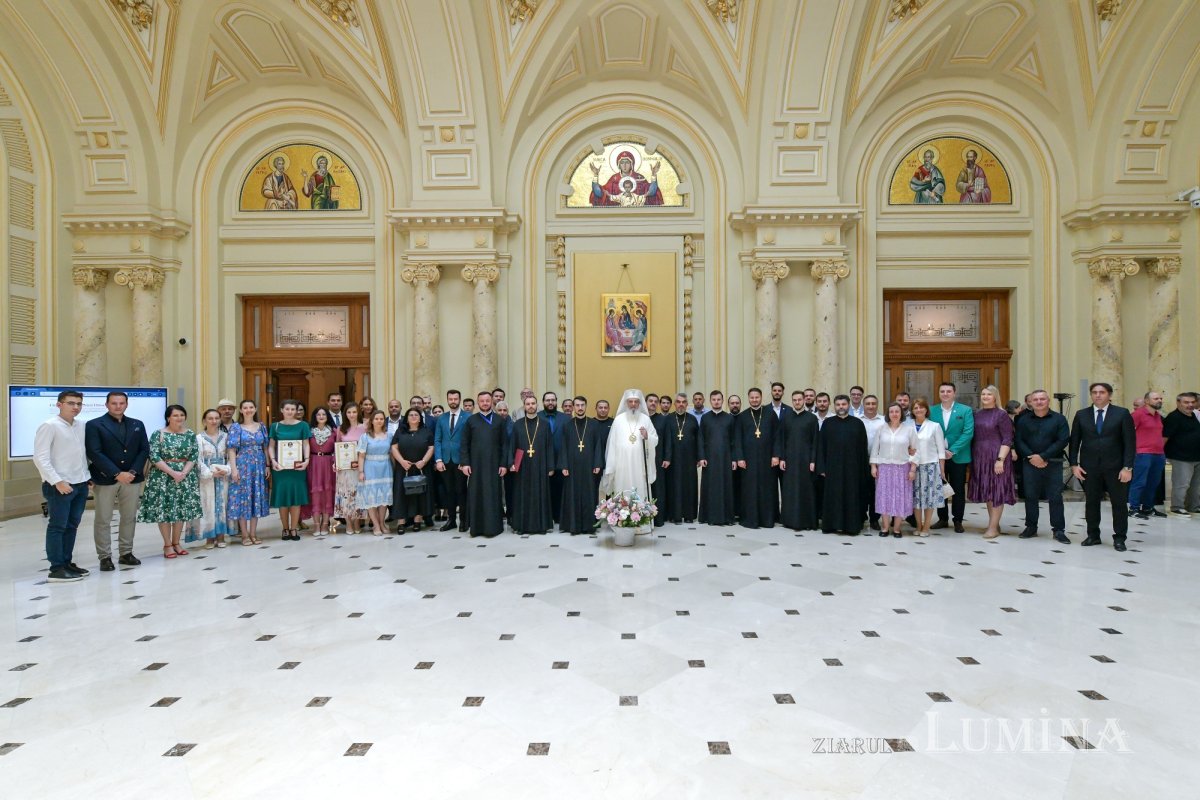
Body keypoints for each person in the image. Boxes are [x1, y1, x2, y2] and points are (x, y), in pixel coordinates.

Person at [85, 390, 149, 571]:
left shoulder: (137, 424)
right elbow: (94, 452)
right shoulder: (94, 425)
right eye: (114, 403)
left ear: (126, 404)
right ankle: (105, 557)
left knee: (129, 517)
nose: (118, 406)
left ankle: (126, 553)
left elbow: (143, 450)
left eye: (121, 403)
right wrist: (116, 473)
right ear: (106, 405)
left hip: (132, 478)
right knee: (103, 519)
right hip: (106, 478)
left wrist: (132, 471)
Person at [1069, 382, 1135, 551]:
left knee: (1119, 504)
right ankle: (1093, 535)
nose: (1098, 395)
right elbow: (1074, 442)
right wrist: (1074, 465)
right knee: (1091, 502)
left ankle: (1120, 537)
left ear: (1109, 395)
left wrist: (1127, 467)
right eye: (1094, 392)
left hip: (1116, 467)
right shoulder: (1081, 415)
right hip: (1089, 468)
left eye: (1102, 392)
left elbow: (1130, 443)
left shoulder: (1122, 413)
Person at [33, 390, 91, 582]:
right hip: (59, 485)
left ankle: (67, 562)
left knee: (72, 525)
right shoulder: (49, 426)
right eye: (71, 403)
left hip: (80, 484)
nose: (75, 407)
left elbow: (81, 454)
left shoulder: (81, 425)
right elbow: (40, 458)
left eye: (79, 404)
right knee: (58, 526)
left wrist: (86, 476)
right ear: (59, 404)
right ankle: (56, 568)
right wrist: (57, 481)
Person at [138, 404, 202, 559]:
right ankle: (167, 545)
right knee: (165, 512)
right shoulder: (158, 434)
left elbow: (194, 455)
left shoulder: (190, 434)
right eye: (175, 415)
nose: (179, 418)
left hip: (185, 477)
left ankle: (176, 542)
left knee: (180, 511)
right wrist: (173, 473)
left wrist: (183, 473)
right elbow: (154, 456)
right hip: (162, 477)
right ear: (168, 418)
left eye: (181, 414)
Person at [1014, 389, 1070, 542]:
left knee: (1055, 497)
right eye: (1036, 399)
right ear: (1030, 402)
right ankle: (1031, 526)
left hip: (1053, 463)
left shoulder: (1059, 419)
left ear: (1048, 401)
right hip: (1030, 462)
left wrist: (1043, 456)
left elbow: (1063, 440)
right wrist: (1033, 457)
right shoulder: (1023, 420)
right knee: (1030, 495)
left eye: (1042, 399)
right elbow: (1019, 440)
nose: (1039, 402)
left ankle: (1058, 530)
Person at [815, 395, 870, 534]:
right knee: (833, 496)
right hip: (832, 468)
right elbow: (820, 447)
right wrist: (821, 467)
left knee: (851, 496)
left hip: (853, 469)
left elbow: (863, 448)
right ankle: (831, 525)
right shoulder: (828, 423)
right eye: (838, 404)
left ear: (848, 405)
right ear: (834, 406)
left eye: (844, 404)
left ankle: (852, 526)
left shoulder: (857, 424)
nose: (841, 407)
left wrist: (863, 470)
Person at [969, 386, 1017, 539]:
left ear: (995, 397)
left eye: (989, 394)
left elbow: (1007, 439)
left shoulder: (1002, 415)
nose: (985, 396)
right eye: (983, 394)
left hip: (997, 456)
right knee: (988, 492)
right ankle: (994, 523)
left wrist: (1000, 460)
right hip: (980, 457)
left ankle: (993, 527)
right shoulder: (976, 414)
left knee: (997, 490)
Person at [461, 392, 508, 537]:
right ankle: (476, 528)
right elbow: (464, 444)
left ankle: (493, 528)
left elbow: (505, 444)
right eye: (482, 401)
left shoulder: (499, 420)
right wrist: (465, 463)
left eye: (488, 400)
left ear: (491, 402)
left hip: (494, 465)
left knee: (493, 495)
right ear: (478, 403)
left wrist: (503, 464)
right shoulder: (471, 420)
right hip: (476, 466)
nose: (485, 403)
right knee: (476, 494)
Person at [600, 389, 658, 503]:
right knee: (622, 489)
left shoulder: (645, 419)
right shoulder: (618, 420)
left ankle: (641, 516)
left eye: (636, 402)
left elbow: (655, 439)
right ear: (626, 403)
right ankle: (622, 516)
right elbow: (612, 443)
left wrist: (647, 436)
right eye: (630, 401)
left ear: (639, 403)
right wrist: (611, 465)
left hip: (639, 464)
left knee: (639, 489)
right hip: (621, 464)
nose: (633, 404)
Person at [733, 388, 779, 529]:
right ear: (748, 398)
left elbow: (777, 436)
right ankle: (749, 518)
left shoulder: (770, 414)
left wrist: (776, 455)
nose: (754, 400)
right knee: (749, 489)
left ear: (761, 397)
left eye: (757, 397)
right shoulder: (742, 416)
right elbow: (737, 439)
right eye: (752, 397)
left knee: (767, 488)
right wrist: (739, 457)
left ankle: (767, 519)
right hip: (748, 460)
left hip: (767, 459)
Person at [510, 395, 557, 534]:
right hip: (523, 466)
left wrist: (551, 466)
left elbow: (549, 446)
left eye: (533, 403)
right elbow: (512, 445)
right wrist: (511, 463)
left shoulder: (544, 424)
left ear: (537, 405)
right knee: (522, 494)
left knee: (540, 494)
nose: (530, 406)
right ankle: (522, 526)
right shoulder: (518, 424)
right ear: (524, 406)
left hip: (540, 465)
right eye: (528, 404)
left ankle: (541, 525)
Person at [930, 382, 974, 532]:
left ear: (954, 393)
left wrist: (952, 450)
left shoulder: (965, 410)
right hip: (937, 457)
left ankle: (958, 520)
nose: (945, 394)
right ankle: (942, 519)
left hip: (958, 456)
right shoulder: (932, 410)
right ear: (939, 393)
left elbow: (968, 432)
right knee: (940, 487)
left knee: (958, 489)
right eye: (942, 391)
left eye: (948, 391)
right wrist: (940, 451)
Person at [870, 403, 918, 538]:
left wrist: (913, 469)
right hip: (884, 467)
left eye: (897, 411)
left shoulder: (909, 430)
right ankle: (885, 527)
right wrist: (874, 466)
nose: (894, 414)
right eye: (891, 412)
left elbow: (915, 451)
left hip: (902, 468)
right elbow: (875, 449)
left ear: (901, 414)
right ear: (888, 414)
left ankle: (897, 528)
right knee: (884, 497)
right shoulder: (881, 429)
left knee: (900, 498)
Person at [227, 399, 269, 545]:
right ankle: (244, 535)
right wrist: (234, 469)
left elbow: (265, 447)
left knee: (255, 497)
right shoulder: (236, 427)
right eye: (245, 407)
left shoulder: (261, 426)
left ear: (255, 409)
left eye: (251, 407)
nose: (248, 410)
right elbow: (231, 449)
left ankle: (253, 533)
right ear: (241, 410)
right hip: (242, 464)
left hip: (259, 465)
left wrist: (267, 465)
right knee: (243, 499)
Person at [189, 409, 233, 548]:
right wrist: (209, 473)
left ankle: (221, 536)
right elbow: (197, 459)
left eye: (216, 418)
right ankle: (209, 536)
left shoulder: (226, 437)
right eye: (210, 418)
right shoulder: (198, 438)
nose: (214, 421)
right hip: (206, 477)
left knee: (222, 503)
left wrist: (226, 469)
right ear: (204, 421)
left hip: (223, 476)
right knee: (208, 505)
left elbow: (231, 456)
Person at [269, 399, 311, 541]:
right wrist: (273, 461)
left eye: (293, 409)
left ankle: (294, 529)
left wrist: (306, 461)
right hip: (280, 468)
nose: (290, 412)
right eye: (287, 409)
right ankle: (285, 529)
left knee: (296, 498)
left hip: (297, 467)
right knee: (283, 499)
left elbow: (306, 444)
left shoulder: (303, 426)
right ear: (282, 410)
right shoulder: (275, 427)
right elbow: (271, 446)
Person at [560, 395, 603, 534]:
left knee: (589, 494)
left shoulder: (594, 424)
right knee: (572, 495)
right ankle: (573, 525)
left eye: (582, 405)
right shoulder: (567, 425)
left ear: (586, 406)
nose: (579, 408)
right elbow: (563, 447)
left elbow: (598, 445)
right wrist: (564, 466)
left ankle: (590, 525)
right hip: (571, 467)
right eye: (577, 405)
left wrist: (597, 463)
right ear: (573, 407)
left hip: (589, 466)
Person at [778, 390, 819, 531]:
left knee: (806, 490)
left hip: (806, 460)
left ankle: (807, 521)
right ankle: (789, 520)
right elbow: (781, 440)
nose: (797, 402)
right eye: (794, 400)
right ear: (792, 401)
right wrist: (782, 458)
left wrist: (813, 460)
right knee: (790, 490)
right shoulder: (786, 417)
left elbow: (815, 441)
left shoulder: (811, 418)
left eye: (799, 400)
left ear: (804, 401)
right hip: (789, 459)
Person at [391, 407, 434, 533]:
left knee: (419, 494)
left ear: (420, 418)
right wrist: (402, 462)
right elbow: (394, 448)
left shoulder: (426, 431)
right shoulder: (400, 431)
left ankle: (417, 521)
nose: (414, 417)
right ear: (407, 418)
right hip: (404, 468)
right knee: (401, 494)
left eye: (416, 415)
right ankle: (401, 522)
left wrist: (424, 461)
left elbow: (431, 448)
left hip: (421, 468)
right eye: (411, 415)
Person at [910, 398, 948, 537]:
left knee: (929, 498)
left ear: (926, 410)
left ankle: (926, 527)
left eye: (921, 407)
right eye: (915, 408)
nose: (918, 410)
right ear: (912, 411)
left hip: (930, 466)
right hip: (913, 467)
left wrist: (942, 469)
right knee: (916, 498)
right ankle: (918, 525)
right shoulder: (908, 426)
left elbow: (941, 450)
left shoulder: (934, 426)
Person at [698, 390, 736, 525]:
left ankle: (727, 517)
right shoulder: (705, 418)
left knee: (726, 486)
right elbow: (701, 438)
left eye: (718, 399)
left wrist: (734, 459)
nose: (716, 402)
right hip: (709, 459)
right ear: (710, 401)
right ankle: (707, 516)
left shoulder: (729, 418)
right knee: (710, 487)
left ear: (722, 401)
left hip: (726, 458)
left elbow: (734, 440)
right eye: (713, 399)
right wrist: (701, 456)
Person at [434, 389, 470, 532]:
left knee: (461, 490)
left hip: (460, 461)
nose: (453, 401)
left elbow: (469, 440)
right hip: (445, 460)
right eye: (450, 399)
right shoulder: (441, 418)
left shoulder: (467, 417)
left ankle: (463, 520)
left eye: (455, 399)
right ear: (447, 400)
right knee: (449, 491)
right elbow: (437, 439)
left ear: (459, 400)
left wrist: (465, 460)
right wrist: (438, 459)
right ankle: (451, 520)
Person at [665, 393, 701, 523]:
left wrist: (699, 457)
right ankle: (675, 515)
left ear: (687, 404)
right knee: (674, 486)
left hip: (689, 459)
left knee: (689, 486)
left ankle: (689, 515)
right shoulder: (668, 419)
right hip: (673, 460)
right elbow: (665, 440)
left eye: (684, 402)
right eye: (678, 402)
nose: (681, 404)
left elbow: (699, 440)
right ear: (674, 404)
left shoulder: (692, 419)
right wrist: (666, 457)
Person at [1128, 391, 1165, 520]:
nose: (1159, 400)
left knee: (1153, 482)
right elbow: (1128, 434)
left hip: (1158, 453)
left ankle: (1148, 508)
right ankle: (1134, 508)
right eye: (1156, 398)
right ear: (1147, 401)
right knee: (1139, 481)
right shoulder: (1138, 414)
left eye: (1160, 398)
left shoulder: (1158, 416)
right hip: (1142, 453)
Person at [357, 410, 394, 536]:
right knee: (371, 498)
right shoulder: (365, 436)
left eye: (381, 419)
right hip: (370, 467)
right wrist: (361, 472)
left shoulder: (389, 435)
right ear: (372, 421)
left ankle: (382, 523)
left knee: (384, 498)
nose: (379, 421)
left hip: (385, 468)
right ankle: (376, 525)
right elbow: (361, 456)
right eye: (376, 418)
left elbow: (392, 453)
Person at [1163, 392, 1200, 515]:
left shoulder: (1193, 415)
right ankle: (1177, 506)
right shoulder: (1173, 417)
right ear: (1178, 403)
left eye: (1192, 402)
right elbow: (1164, 437)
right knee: (1182, 483)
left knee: (1196, 485)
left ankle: (1193, 506)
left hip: (1196, 456)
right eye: (1186, 402)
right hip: (1181, 457)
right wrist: (1160, 454)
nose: (1190, 405)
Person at [304, 407, 337, 537]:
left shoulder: (334, 431)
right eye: (319, 414)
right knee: (315, 493)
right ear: (315, 416)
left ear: (328, 416)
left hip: (329, 464)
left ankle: (325, 523)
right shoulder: (309, 431)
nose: (321, 416)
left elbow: (337, 448)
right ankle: (316, 524)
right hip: (313, 463)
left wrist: (335, 461)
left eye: (324, 414)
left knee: (327, 493)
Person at [538, 392, 570, 524]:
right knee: (543, 490)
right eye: (547, 400)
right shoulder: (537, 417)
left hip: (560, 460)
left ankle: (559, 516)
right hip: (541, 460)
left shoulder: (566, 418)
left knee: (560, 490)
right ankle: (544, 516)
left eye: (553, 400)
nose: (550, 403)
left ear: (557, 401)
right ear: (543, 402)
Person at [335, 402, 365, 534]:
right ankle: (348, 523)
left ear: (358, 412)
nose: (352, 415)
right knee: (346, 495)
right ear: (345, 414)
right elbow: (337, 447)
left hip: (359, 467)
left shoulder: (364, 428)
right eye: (349, 412)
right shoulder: (340, 429)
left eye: (354, 412)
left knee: (358, 494)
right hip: (345, 469)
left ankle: (357, 521)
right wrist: (336, 463)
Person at [647, 394, 673, 526]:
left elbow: (668, 439)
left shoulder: (662, 420)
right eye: (650, 401)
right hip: (642, 460)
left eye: (655, 401)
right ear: (645, 402)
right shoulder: (641, 419)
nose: (653, 403)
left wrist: (667, 458)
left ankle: (658, 518)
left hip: (659, 459)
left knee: (659, 488)